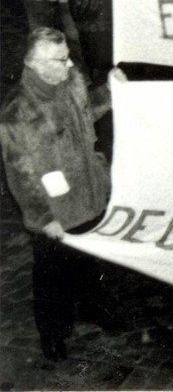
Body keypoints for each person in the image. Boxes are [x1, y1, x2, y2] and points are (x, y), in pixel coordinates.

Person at [0, 28, 126, 361]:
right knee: (51, 273)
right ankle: (53, 333)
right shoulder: (17, 112)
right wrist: (44, 218)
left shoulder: (70, 82)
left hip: (88, 191)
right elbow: (20, 174)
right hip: (54, 209)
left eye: (68, 56)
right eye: (61, 59)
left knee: (88, 257)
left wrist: (110, 92)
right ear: (37, 64)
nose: (70, 64)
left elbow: (88, 113)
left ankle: (92, 306)